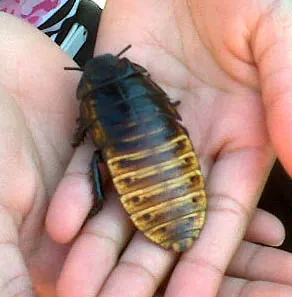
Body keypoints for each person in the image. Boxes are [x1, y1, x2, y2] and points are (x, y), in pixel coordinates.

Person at [0, 1, 292, 296]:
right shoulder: (141, 87)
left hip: (83, 41)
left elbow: (90, 135)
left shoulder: (91, 109)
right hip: (164, 146)